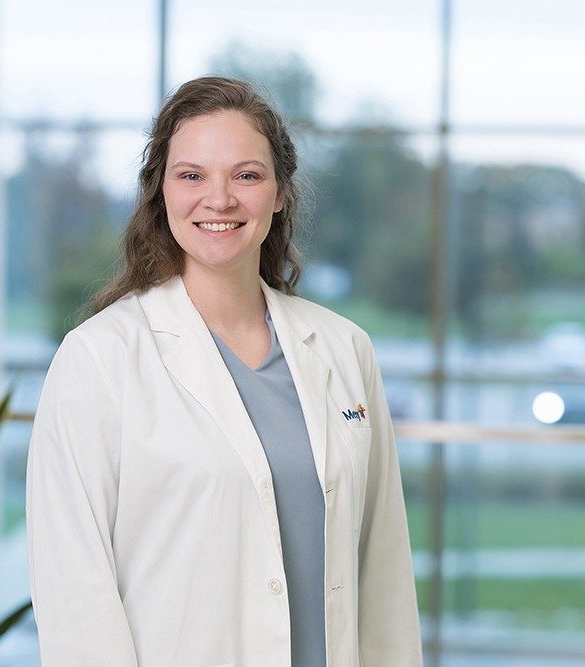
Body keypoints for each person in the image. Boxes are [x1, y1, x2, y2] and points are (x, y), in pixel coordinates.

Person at [26, 76, 422, 666]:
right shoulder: (99, 359)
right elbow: (73, 592)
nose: (219, 199)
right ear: (160, 190)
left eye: (246, 175)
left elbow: (383, 570)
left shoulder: (345, 349)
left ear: (280, 193)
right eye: (192, 176)